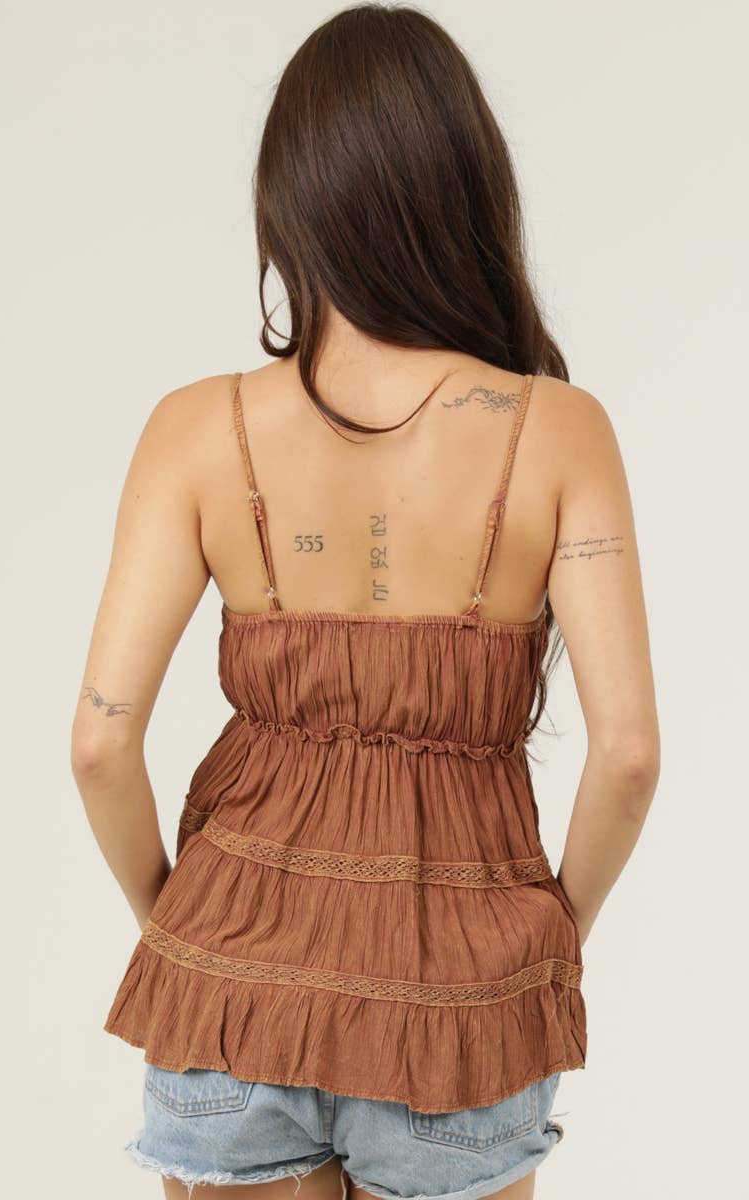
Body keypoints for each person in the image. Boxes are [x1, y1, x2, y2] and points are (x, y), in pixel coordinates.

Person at [71, 5, 661, 1199]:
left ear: (287, 202)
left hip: (228, 987)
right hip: (462, 1010)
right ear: (466, 193)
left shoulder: (194, 431)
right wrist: (543, 946)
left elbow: (98, 745)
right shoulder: (556, 431)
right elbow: (630, 756)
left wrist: (184, 936)